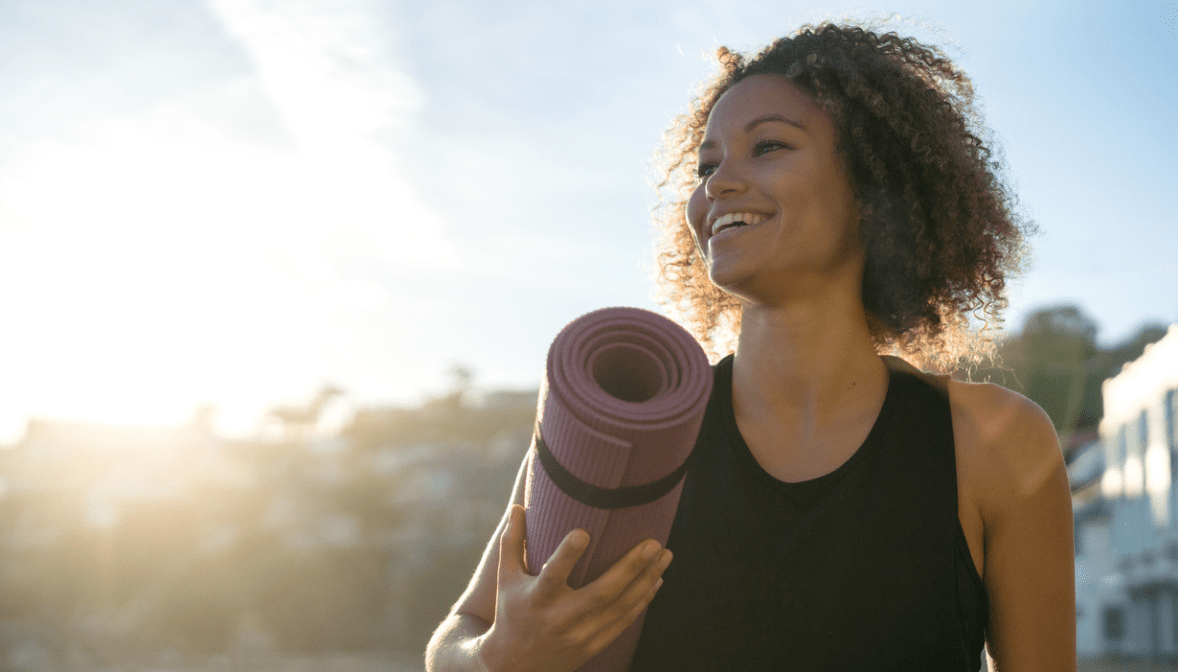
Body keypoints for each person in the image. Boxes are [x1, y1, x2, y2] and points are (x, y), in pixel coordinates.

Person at [426, 21, 1075, 672]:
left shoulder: (995, 444)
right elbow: (457, 637)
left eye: (767, 146)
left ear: (875, 190)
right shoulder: (629, 425)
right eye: (707, 165)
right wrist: (496, 656)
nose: (718, 183)